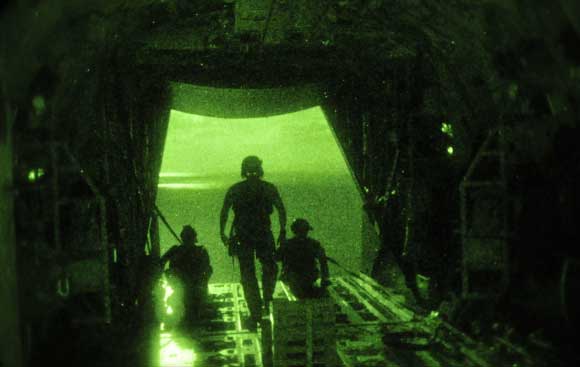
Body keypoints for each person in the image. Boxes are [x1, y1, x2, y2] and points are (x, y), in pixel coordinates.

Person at [220, 155, 286, 330]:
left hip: (243, 236)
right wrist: (283, 231)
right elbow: (280, 210)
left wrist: (223, 233)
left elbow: (225, 212)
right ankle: (267, 300)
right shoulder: (268, 188)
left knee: (248, 274)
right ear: (259, 169)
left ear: (244, 170)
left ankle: (255, 312)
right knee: (269, 268)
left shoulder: (235, 189)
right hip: (263, 234)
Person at [160, 225, 212, 326]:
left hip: (188, 287)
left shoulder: (177, 250)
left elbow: (161, 262)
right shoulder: (200, 250)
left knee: (189, 305)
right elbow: (207, 269)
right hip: (190, 287)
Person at [275, 218, 330, 299]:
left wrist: (281, 247)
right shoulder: (314, 244)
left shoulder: (287, 245)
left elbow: (276, 258)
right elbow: (323, 261)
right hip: (308, 280)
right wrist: (324, 279)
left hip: (292, 281)